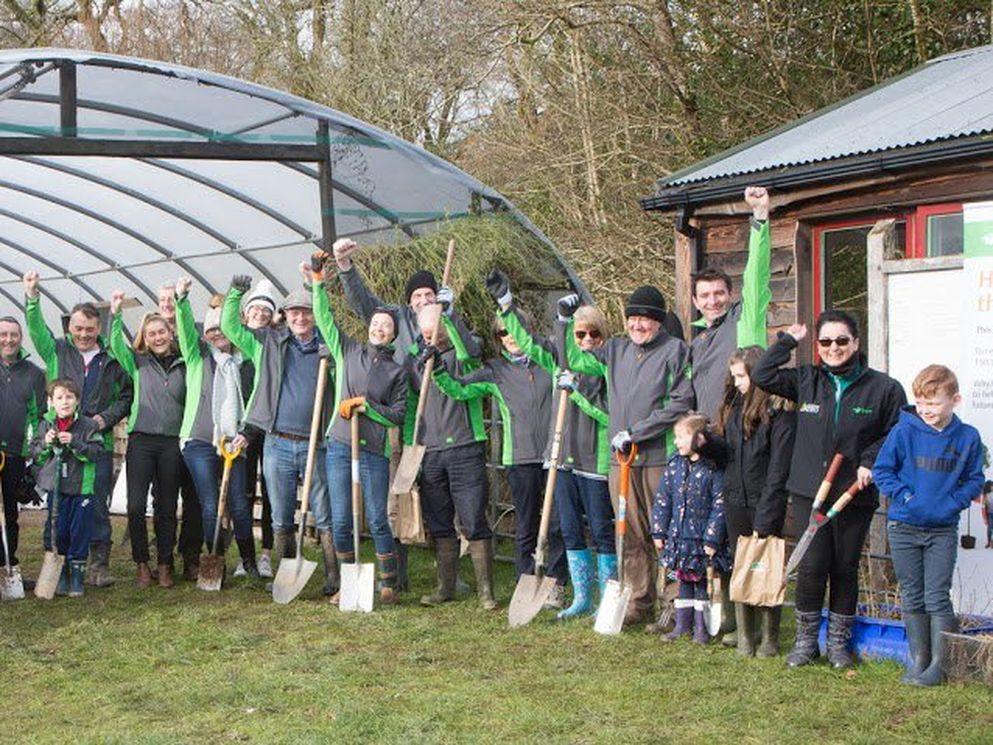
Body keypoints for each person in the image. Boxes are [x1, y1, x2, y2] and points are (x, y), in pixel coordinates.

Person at [753, 309, 906, 668]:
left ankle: (839, 643)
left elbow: (895, 432)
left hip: (854, 490)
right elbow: (762, 374)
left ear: (856, 342)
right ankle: (807, 642)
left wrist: (870, 460)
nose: (833, 348)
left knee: (844, 566)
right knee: (812, 566)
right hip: (810, 489)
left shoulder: (884, 388)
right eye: (825, 342)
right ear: (818, 346)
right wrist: (787, 340)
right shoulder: (807, 380)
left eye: (841, 341)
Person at [332, 238, 480, 591]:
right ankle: (396, 577)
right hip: (397, 423)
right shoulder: (396, 319)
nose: (424, 301)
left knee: (437, 503)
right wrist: (346, 268)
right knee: (396, 501)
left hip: (439, 424)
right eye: (417, 297)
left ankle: (449, 576)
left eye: (429, 296)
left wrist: (451, 312)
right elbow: (363, 303)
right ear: (408, 301)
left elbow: (471, 351)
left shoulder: (446, 321)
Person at [561, 285, 694, 626]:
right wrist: (562, 322)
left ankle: (674, 602)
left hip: (657, 457)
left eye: (645, 319)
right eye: (633, 318)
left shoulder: (674, 351)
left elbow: (680, 403)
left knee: (665, 532)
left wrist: (637, 432)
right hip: (622, 461)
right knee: (630, 534)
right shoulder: (616, 349)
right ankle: (638, 600)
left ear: (658, 322)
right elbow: (574, 358)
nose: (638, 325)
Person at [487, 271, 614, 619]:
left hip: (596, 461)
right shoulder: (559, 360)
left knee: (602, 530)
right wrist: (506, 305)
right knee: (569, 529)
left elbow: (611, 418)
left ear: (603, 336)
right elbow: (527, 343)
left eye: (594, 333)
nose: (587, 339)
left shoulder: (610, 369)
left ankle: (606, 597)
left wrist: (578, 394)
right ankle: (581, 597)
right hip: (562, 459)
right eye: (580, 334)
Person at [431, 308, 568, 606]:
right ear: (498, 338)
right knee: (526, 523)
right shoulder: (496, 371)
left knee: (557, 523)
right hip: (519, 458)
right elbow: (459, 389)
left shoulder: (549, 360)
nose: (509, 337)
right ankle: (525, 580)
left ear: (527, 329)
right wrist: (439, 371)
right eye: (503, 333)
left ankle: (556, 583)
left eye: (514, 330)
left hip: (555, 455)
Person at [687, 186, 774, 645]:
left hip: (743, 442)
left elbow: (758, 279)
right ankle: (718, 616)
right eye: (705, 295)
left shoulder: (745, 322)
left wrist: (759, 222)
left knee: (744, 534)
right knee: (713, 535)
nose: (714, 300)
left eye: (719, 293)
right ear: (696, 300)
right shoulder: (695, 340)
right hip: (709, 446)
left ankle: (753, 619)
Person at [221, 275, 339, 596]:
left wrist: (318, 287)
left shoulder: (328, 346)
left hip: (318, 443)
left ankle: (333, 576)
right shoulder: (269, 342)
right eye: (294, 312)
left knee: (324, 513)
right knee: (281, 515)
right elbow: (230, 327)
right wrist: (235, 294)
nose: (300, 318)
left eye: (307, 312)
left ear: (315, 315)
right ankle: (288, 572)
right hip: (278, 443)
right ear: (284, 316)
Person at [873, 364, 985, 686]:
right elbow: (883, 471)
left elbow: (974, 479)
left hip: (942, 530)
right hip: (904, 526)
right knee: (912, 595)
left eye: (934, 403)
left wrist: (952, 503)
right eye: (921, 403)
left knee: (937, 595)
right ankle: (918, 659)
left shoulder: (967, 438)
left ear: (955, 400)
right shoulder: (904, 431)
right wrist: (905, 497)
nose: (926, 410)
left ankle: (940, 664)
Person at [308, 255, 408, 604]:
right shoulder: (348, 350)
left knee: (378, 519)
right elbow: (324, 319)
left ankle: (388, 584)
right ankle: (347, 584)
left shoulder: (397, 372)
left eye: (386, 325)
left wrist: (367, 406)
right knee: (340, 519)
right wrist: (319, 282)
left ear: (393, 333)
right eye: (375, 323)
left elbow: (397, 415)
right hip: (339, 445)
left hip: (372, 451)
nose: (378, 328)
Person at [22, 271, 133, 587]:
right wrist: (32, 297)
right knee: (58, 501)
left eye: (90, 329)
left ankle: (96, 564)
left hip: (94, 441)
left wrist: (103, 420)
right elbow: (35, 328)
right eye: (78, 328)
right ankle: (55, 558)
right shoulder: (56, 350)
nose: (84, 334)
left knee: (96, 502)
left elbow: (126, 397)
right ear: (69, 327)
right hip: (57, 441)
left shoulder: (110, 359)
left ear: (99, 328)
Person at [406, 303, 497, 610]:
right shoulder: (414, 360)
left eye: (436, 327)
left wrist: (453, 314)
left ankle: (486, 591)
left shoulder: (464, 352)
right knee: (439, 520)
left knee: (473, 518)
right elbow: (409, 408)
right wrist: (412, 446)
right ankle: (446, 586)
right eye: (425, 328)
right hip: (431, 450)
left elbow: (470, 351)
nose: (431, 333)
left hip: (465, 446)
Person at [173, 278, 259, 580]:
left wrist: (244, 434)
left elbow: (253, 401)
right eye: (211, 330)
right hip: (199, 442)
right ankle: (215, 558)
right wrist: (181, 301)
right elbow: (184, 330)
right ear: (205, 335)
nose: (217, 334)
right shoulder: (198, 360)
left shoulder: (245, 362)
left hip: (234, 442)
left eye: (222, 328)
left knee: (238, 502)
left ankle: (249, 561)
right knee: (210, 503)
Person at [714, 346, 796, 656]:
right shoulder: (736, 410)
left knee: (765, 566)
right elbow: (729, 454)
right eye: (733, 376)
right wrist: (707, 444)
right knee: (740, 565)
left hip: (765, 502)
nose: (735, 383)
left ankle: (769, 638)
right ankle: (745, 636)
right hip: (735, 499)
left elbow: (778, 471)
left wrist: (767, 513)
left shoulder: (780, 414)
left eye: (740, 376)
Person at [109, 293, 187, 587]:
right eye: (151, 333)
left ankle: (165, 563)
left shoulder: (183, 363)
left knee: (167, 506)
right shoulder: (137, 363)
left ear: (170, 332)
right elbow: (116, 344)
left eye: (162, 332)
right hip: (141, 441)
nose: (157, 337)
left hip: (170, 443)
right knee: (135, 505)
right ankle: (142, 563)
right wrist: (115, 315)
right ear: (144, 336)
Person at [651, 413, 729, 644]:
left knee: (701, 583)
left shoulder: (713, 469)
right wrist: (659, 531)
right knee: (684, 579)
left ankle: (701, 628)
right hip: (679, 536)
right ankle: (682, 626)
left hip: (701, 539)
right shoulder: (675, 465)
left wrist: (712, 539)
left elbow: (720, 505)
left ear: (698, 438)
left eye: (681, 437)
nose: (677, 442)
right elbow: (663, 500)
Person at [31, 379, 105, 597]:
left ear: (77, 401)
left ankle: (77, 578)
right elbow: (35, 453)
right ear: (51, 402)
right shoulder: (46, 425)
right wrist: (45, 442)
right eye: (59, 398)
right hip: (57, 487)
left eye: (69, 397)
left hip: (82, 488)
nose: (65, 402)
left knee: (79, 531)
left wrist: (74, 441)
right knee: (57, 530)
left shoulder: (89, 426)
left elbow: (96, 453)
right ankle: (61, 575)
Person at [156, 281, 202, 580]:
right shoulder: (153, 338)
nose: (168, 304)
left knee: (194, 496)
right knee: (165, 499)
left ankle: (191, 555)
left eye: (172, 299)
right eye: (163, 300)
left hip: (194, 430)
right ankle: (164, 556)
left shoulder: (191, 332)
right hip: (164, 435)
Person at [0, 315, 46, 587]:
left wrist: (34, 454)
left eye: (13, 335)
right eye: (3, 334)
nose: (8, 340)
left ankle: (9, 565)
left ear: (20, 338)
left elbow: (39, 416)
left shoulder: (33, 373)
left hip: (16, 454)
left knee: (10, 513)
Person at [239, 279, 279, 578]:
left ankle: (266, 553)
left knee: (269, 489)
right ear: (246, 312)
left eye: (266, 312)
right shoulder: (238, 344)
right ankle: (245, 556)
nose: (260, 315)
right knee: (242, 490)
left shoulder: (276, 343)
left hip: (271, 425)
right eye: (256, 310)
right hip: (243, 427)